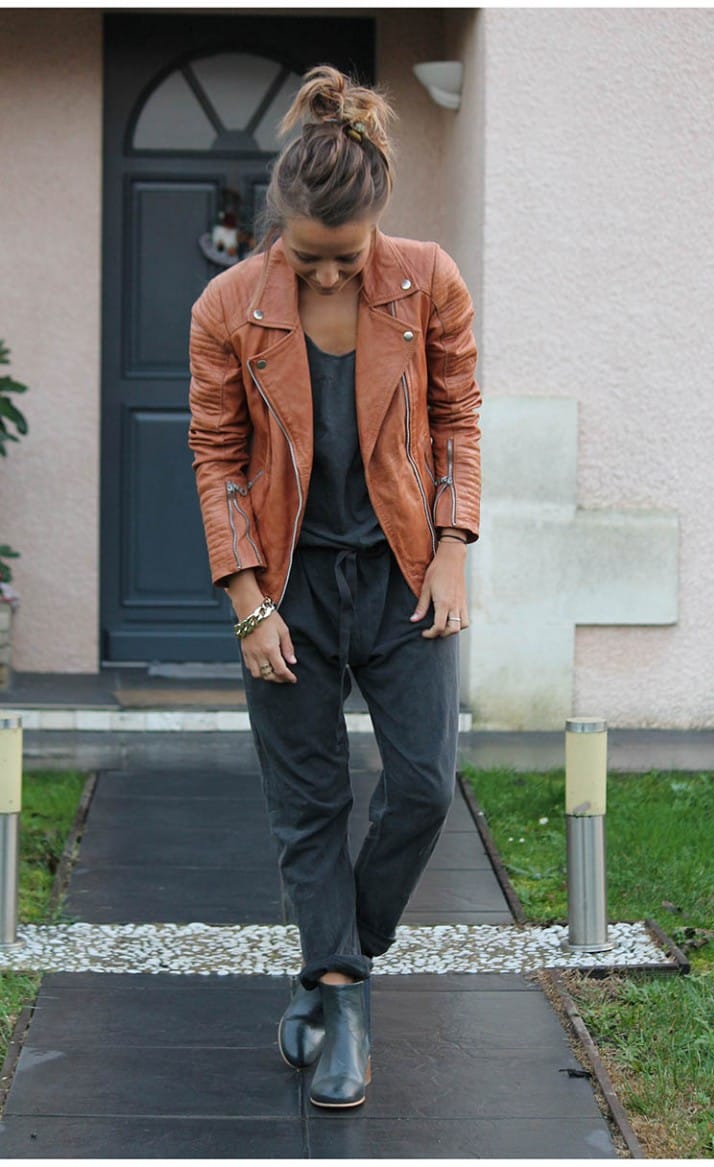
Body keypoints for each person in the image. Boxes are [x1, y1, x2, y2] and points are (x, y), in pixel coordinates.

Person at [188, 65, 481, 1110]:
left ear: (378, 225)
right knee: (308, 804)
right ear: (281, 226)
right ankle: (344, 1008)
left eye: (344, 260)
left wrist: (453, 547)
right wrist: (249, 603)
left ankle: (337, 952)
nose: (323, 276)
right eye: (306, 257)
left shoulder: (428, 281)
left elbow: (458, 418)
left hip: (405, 575)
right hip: (289, 585)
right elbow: (217, 456)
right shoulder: (228, 304)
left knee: (424, 786)